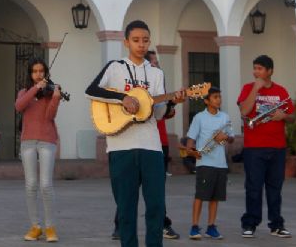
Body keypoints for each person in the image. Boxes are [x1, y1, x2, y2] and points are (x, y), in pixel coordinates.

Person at [86, 20, 185, 247]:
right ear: (126, 42)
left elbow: (158, 113)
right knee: (126, 209)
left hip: (151, 147)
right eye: (136, 40)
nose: (141, 45)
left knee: (156, 206)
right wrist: (123, 98)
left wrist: (172, 103)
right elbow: (91, 90)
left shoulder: (156, 73)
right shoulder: (115, 67)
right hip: (120, 146)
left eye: (146, 40)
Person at [236, 54, 294, 239]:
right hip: (254, 146)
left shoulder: (281, 91)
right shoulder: (248, 88)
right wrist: (256, 89)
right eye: (255, 68)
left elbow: (292, 115)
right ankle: (250, 224)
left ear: (270, 71)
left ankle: (276, 224)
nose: (256, 72)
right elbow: (244, 110)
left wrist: (283, 116)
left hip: (277, 147)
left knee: (275, 187)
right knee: (253, 186)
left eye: (260, 69)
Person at [15, 57, 63, 242]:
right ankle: (35, 226)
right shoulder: (24, 92)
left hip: (47, 140)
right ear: (30, 74)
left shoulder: (51, 93)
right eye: (35, 71)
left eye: (41, 71)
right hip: (28, 141)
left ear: (45, 73)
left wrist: (56, 99)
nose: (38, 74)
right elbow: (19, 106)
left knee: (45, 184)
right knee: (30, 185)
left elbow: (50, 116)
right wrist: (36, 88)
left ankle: (50, 227)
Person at [185, 87, 235, 240]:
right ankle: (194, 226)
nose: (218, 100)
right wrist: (190, 150)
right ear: (206, 101)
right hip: (204, 163)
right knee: (200, 195)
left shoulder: (225, 117)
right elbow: (191, 139)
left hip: (221, 164)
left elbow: (231, 139)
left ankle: (211, 227)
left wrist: (224, 137)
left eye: (219, 97)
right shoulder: (199, 117)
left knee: (215, 197)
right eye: (215, 97)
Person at [147, 50, 179, 240]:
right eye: (154, 63)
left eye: (158, 63)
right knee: (130, 186)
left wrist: (172, 104)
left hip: (160, 140)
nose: (157, 66)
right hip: (138, 140)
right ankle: (120, 225)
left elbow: (166, 113)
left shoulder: (160, 85)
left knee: (158, 188)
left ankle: (162, 224)